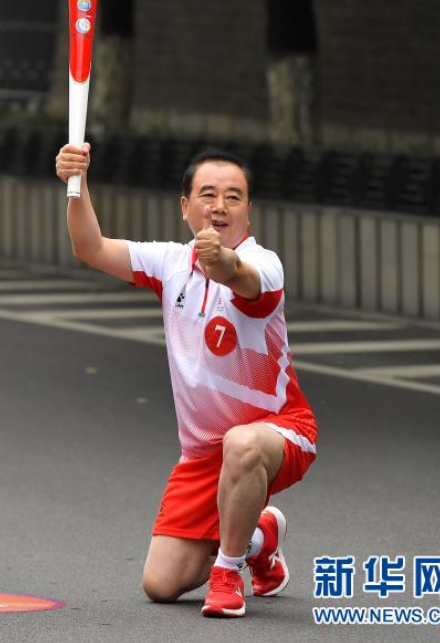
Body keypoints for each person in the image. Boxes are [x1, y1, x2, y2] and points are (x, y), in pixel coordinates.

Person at [55, 144, 318, 619]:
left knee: (242, 443)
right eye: (208, 194)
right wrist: (77, 184)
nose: (220, 206)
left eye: (234, 197)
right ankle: (260, 537)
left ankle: (227, 572)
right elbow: (89, 247)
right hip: (203, 456)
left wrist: (221, 261)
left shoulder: (266, 265)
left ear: (249, 210)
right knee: (161, 583)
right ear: (185, 206)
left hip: (280, 431)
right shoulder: (170, 264)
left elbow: (238, 276)